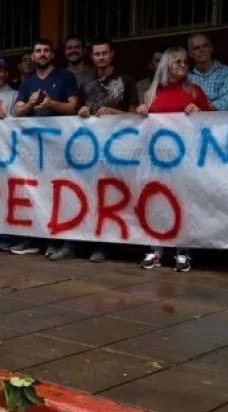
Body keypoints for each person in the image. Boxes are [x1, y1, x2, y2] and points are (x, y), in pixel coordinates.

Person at [59, 38, 140, 264]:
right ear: (92, 57)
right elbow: (82, 114)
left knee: (110, 199)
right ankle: (77, 244)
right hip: (92, 153)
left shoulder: (126, 80)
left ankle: (103, 247)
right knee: (88, 196)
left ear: (111, 54)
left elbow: (138, 116)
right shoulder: (86, 84)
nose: (101, 57)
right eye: (97, 54)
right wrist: (83, 111)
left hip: (118, 152)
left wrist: (116, 114)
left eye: (105, 53)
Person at [135, 46, 211, 272]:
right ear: (166, 64)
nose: (183, 66)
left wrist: (198, 111)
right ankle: (155, 249)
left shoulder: (194, 91)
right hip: (156, 160)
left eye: (185, 63)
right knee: (156, 202)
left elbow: (212, 124)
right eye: (177, 62)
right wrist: (140, 112)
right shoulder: (152, 93)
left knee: (183, 202)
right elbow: (144, 128)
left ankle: (182, 251)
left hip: (185, 159)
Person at [11, 38, 79, 256]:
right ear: (33, 55)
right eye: (38, 50)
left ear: (52, 55)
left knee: (61, 193)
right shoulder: (28, 82)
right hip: (34, 149)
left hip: (60, 147)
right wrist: (31, 104)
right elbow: (17, 111)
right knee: (37, 192)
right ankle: (39, 239)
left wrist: (51, 104)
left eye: (46, 51)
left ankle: (63, 241)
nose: (41, 54)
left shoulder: (65, 76)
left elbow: (73, 107)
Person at [186, 33, 228, 111]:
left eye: (205, 46)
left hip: (221, 122)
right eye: (196, 48)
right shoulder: (187, 77)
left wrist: (201, 107)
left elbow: (226, 104)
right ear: (190, 54)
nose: (201, 50)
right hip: (194, 122)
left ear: (211, 48)